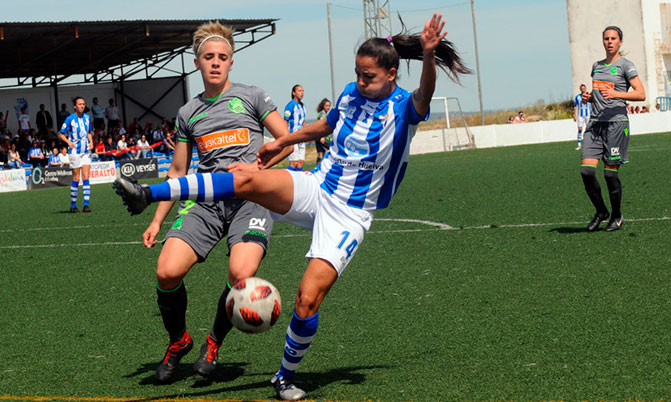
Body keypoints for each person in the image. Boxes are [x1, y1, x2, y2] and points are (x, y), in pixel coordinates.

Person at [113, 13, 469, 400]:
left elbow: (425, 94)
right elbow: (325, 125)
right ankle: (147, 194)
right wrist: (279, 143)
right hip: (318, 186)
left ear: (392, 75)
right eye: (358, 74)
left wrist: (430, 57)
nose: (361, 82)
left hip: (350, 212)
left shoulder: (405, 108)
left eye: (369, 76)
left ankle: (284, 376)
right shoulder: (351, 93)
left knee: (307, 298)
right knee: (246, 177)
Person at [118, 21, 294, 385]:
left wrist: (257, 168)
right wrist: (157, 221)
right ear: (196, 62)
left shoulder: (253, 96)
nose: (215, 62)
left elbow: (288, 142)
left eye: (223, 57)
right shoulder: (188, 113)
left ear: (232, 63)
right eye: (208, 57)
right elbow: (179, 171)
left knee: (240, 275)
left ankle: (213, 344)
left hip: (251, 199)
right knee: (167, 272)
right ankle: (179, 341)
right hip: (206, 202)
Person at [580, 25, 645, 232]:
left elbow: (640, 94)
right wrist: (590, 97)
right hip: (595, 124)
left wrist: (617, 94)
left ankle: (617, 216)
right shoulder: (596, 66)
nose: (609, 41)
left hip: (616, 124)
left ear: (620, 42)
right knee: (587, 172)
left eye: (613, 38)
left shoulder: (626, 65)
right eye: (606, 38)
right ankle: (601, 211)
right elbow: (599, 92)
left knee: (609, 175)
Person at [59, 96, 94, 213]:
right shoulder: (70, 119)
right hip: (74, 151)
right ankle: (73, 205)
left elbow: (89, 132)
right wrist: (68, 142)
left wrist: (92, 142)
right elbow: (61, 134)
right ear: (75, 106)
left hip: (86, 151)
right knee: (76, 178)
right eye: (79, 104)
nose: (82, 106)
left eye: (83, 104)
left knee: (86, 177)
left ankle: (86, 205)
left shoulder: (88, 117)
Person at [284, 84, 306, 171]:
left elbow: (303, 121)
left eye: (303, 91)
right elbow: (285, 121)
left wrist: (308, 134)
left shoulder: (303, 106)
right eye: (299, 91)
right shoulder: (290, 105)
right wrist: (286, 136)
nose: (302, 93)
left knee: (301, 163)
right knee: (294, 163)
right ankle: (285, 181)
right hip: (293, 137)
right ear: (294, 93)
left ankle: (298, 184)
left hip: (301, 137)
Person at [314, 98, 332, 164]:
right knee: (332, 147)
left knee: (321, 152)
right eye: (326, 106)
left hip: (318, 136)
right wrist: (322, 136)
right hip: (321, 136)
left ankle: (319, 166)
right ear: (323, 106)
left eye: (329, 106)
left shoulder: (323, 114)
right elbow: (321, 125)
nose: (328, 107)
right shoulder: (322, 114)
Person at [573, 84, 591, 150]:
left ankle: (589, 144)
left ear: (585, 88)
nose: (583, 89)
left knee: (589, 129)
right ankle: (579, 144)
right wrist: (575, 115)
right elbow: (575, 106)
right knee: (580, 130)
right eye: (582, 88)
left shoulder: (589, 95)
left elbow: (592, 104)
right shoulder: (578, 97)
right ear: (580, 89)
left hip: (588, 115)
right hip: (580, 115)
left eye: (584, 88)